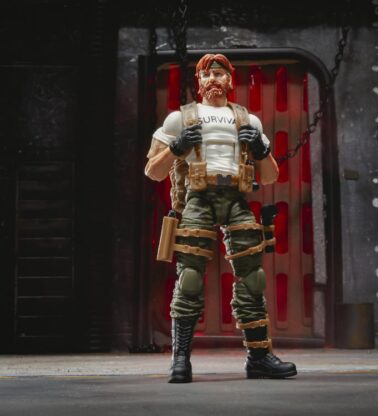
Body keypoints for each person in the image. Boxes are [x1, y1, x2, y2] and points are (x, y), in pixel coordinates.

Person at [145, 53, 297, 383]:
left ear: (230, 80)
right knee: (189, 279)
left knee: (253, 278)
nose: (213, 78)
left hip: (235, 199)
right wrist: (176, 147)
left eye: (219, 73)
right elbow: (153, 171)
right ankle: (180, 361)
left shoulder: (248, 120)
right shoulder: (180, 119)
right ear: (198, 82)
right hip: (198, 199)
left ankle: (259, 357)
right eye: (207, 74)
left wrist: (261, 150)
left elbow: (270, 177)